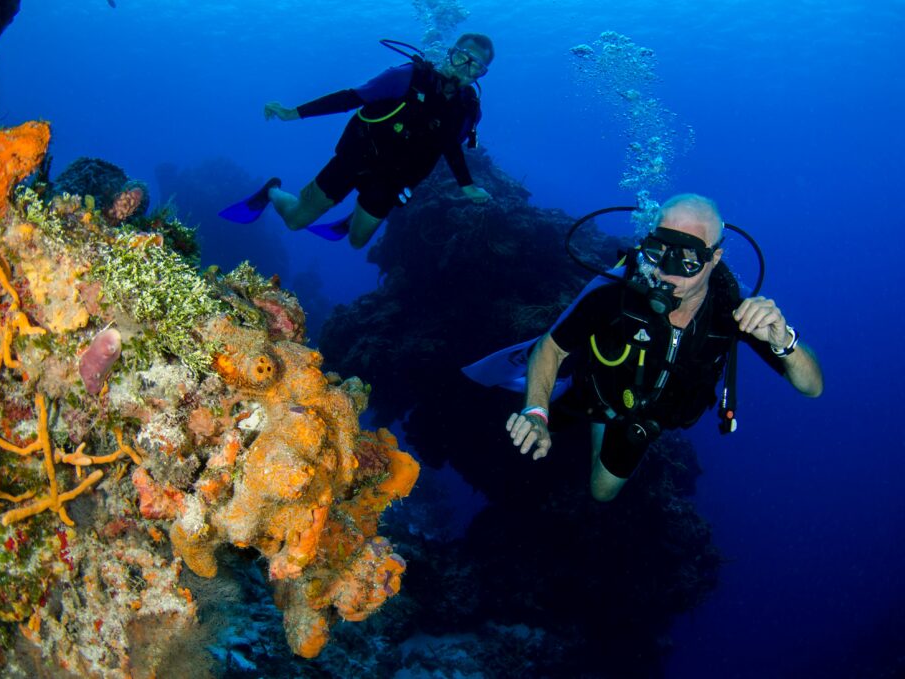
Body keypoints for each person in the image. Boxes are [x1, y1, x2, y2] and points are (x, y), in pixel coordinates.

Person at [502, 194, 823, 501]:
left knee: (602, 492)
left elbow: (813, 388)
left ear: (714, 258)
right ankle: (577, 404)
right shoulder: (617, 289)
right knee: (525, 441)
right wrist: (536, 412)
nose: (666, 271)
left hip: (645, 417)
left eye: (688, 260)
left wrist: (784, 342)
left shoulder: (735, 308)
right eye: (658, 251)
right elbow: (551, 347)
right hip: (592, 389)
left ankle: (600, 425)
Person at [243, 34, 494, 249]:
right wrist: (292, 113)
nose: (465, 68)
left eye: (476, 67)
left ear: (481, 74)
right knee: (295, 221)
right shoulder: (407, 77)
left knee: (356, 242)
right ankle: (272, 190)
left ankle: (355, 219)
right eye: (462, 57)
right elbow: (350, 98)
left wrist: (467, 186)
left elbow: (450, 146)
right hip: (356, 158)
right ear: (450, 53)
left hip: (393, 180)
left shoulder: (468, 109)